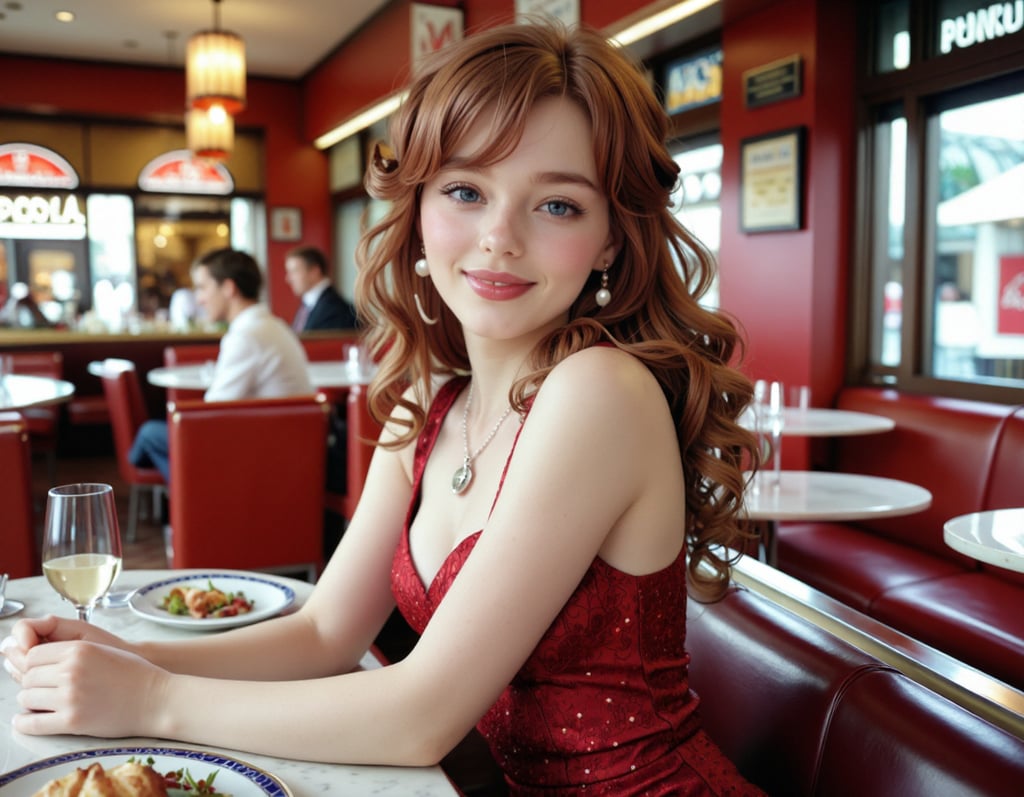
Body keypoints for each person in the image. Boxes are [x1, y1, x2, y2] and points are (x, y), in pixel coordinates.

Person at [1, 22, 761, 795]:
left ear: (609, 241)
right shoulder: (432, 404)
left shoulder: (600, 390)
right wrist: (124, 656)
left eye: (558, 205)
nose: (499, 237)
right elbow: (324, 632)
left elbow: (421, 715)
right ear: (420, 208)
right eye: (466, 191)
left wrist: (151, 698)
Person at [128, 248, 313, 481]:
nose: (199, 299)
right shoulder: (273, 325)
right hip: (288, 446)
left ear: (228, 288)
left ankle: (192, 498)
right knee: (158, 444)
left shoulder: (246, 335)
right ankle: (188, 495)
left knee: (148, 435)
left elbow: (211, 416)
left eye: (202, 287)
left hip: (264, 454)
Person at [284, 245, 358, 331]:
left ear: (314, 271)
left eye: (295, 271)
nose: (288, 279)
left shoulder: (335, 309)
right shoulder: (307, 305)